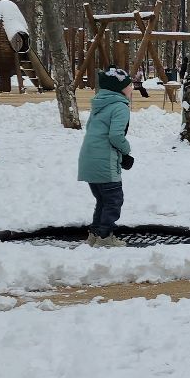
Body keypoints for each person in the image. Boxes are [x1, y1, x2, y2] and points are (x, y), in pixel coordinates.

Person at [77, 67, 135, 248]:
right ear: (119, 89)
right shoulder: (120, 107)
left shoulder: (99, 104)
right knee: (114, 200)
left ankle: (95, 235)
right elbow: (115, 136)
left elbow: (92, 131)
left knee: (102, 200)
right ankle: (105, 238)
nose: (132, 87)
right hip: (105, 163)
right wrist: (127, 151)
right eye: (129, 85)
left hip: (88, 160)